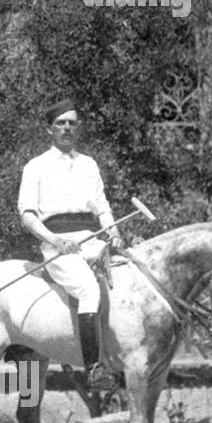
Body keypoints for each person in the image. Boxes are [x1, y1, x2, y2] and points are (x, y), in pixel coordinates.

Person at [17, 100, 124, 390]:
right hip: (57, 245)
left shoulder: (89, 164)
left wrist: (113, 232)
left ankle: (124, 355)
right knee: (88, 289)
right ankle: (94, 369)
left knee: (129, 279)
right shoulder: (35, 166)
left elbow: (101, 207)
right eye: (60, 123)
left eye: (72, 123)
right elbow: (27, 215)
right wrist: (54, 241)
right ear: (49, 129)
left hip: (92, 240)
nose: (67, 128)